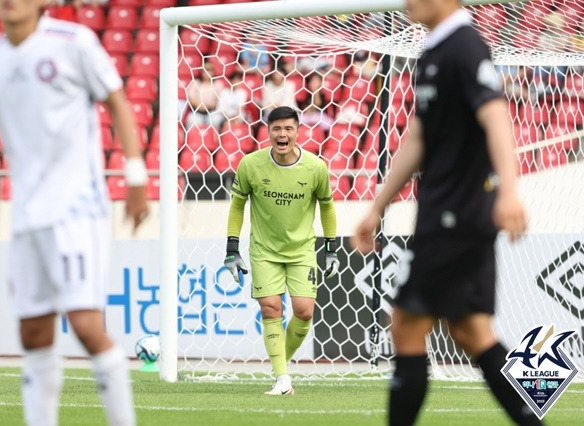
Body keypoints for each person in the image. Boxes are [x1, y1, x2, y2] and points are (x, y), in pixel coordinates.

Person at [0, 0, 149, 424]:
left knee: (87, 326)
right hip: (26, 215)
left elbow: (118, 102)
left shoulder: (74, 43)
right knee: (33, 334)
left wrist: (135, 177)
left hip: (76, 210)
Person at [353, 1, 542, 425]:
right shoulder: (434, 52)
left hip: (456, 215)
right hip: (446, 212)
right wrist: (377, 207)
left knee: (405, 325)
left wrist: (510, 191)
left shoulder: (464, 47)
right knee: (471, 332)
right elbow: (418, 136)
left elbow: (496, 115)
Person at [224, 106, 339, 395]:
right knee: (271, 307)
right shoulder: (250, 165)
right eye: (276, 129)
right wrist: (231, 248)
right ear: (268, 132)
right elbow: (237, 206)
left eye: (288, 128)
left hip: (301, 251)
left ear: (298, 132)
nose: (282, 134)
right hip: (264, 251)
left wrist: (331, 248)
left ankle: (280, 365)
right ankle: (283, 378)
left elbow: (327, 206)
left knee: (304, 312)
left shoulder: (315, 168)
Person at [186, 62, 224, 130]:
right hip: (197, 112)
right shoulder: (196, 82)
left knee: (215, 120)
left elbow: (220, 99)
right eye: (205, 71)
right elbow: (191, 98)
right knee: (191, 120)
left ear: (213, 72)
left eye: (209, 71)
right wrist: (201, 106)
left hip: (212, 112)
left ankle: (214, 139)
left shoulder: (218, 84)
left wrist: (211, 105)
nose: (207, 73)